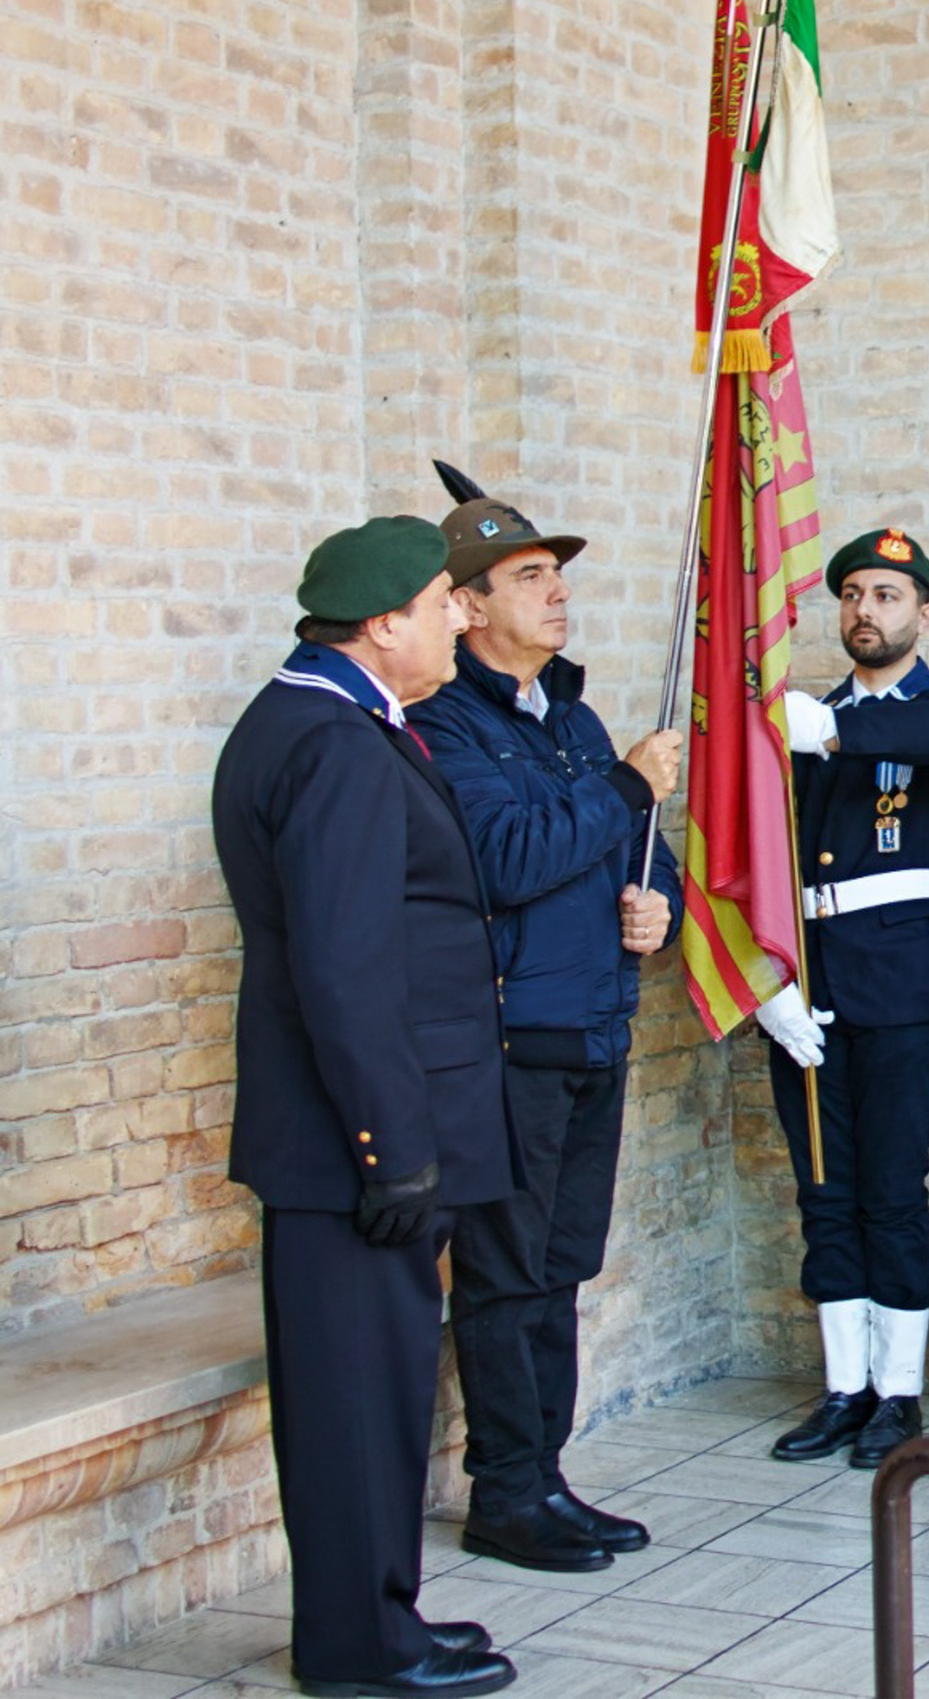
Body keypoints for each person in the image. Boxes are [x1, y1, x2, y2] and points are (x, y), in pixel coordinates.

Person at [211, 518, 520, 1697]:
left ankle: (381, 1618)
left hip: (361, 1135)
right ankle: (355, 1646)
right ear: (385, 620)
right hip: (353, 1147)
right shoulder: (330, 742)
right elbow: (344, 967)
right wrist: (391, 1148)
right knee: (353, 1402)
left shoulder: (330, 721)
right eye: (449, 597)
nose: (463, 615)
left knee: (382, 1388)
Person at [408, 491, 686, 1574]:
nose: (557, 589)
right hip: (514, 1038)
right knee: (506, 1271)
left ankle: (547, 1474)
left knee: (561, 1267)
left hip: (594, 1024)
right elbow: (509, 858)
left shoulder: (567, 716)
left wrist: (653, 901)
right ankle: (504, 1490)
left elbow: (637, 848)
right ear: (468, 607)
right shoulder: (443, 725)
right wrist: (626, 786)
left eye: (554, 572)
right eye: (529, 576)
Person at [759, 528, 929, 1468]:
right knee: (826, 1190)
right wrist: (766, 984)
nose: (868, 609)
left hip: (903, 981)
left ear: (924, 614)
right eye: (854, 594)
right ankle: (844, 1389)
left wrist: (831, 731)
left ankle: (898, 1395)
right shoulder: (798, 722)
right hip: (806, 983)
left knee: (892, 1190)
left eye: (889, 595)